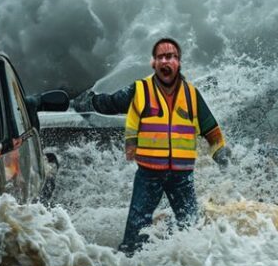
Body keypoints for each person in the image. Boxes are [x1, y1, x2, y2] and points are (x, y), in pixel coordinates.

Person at [73, 37, 230, 254]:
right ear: (154, 63)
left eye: (172, 57)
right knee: (134, 236)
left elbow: (209, 127)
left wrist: (219, 150)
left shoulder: (192, 95)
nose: (167, 62)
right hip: (149, 175)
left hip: (182, 177)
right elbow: (111, 104)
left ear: (179, 63)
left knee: (193, 231)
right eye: (162, 57)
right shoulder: (140, 90)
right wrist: (88, 102)